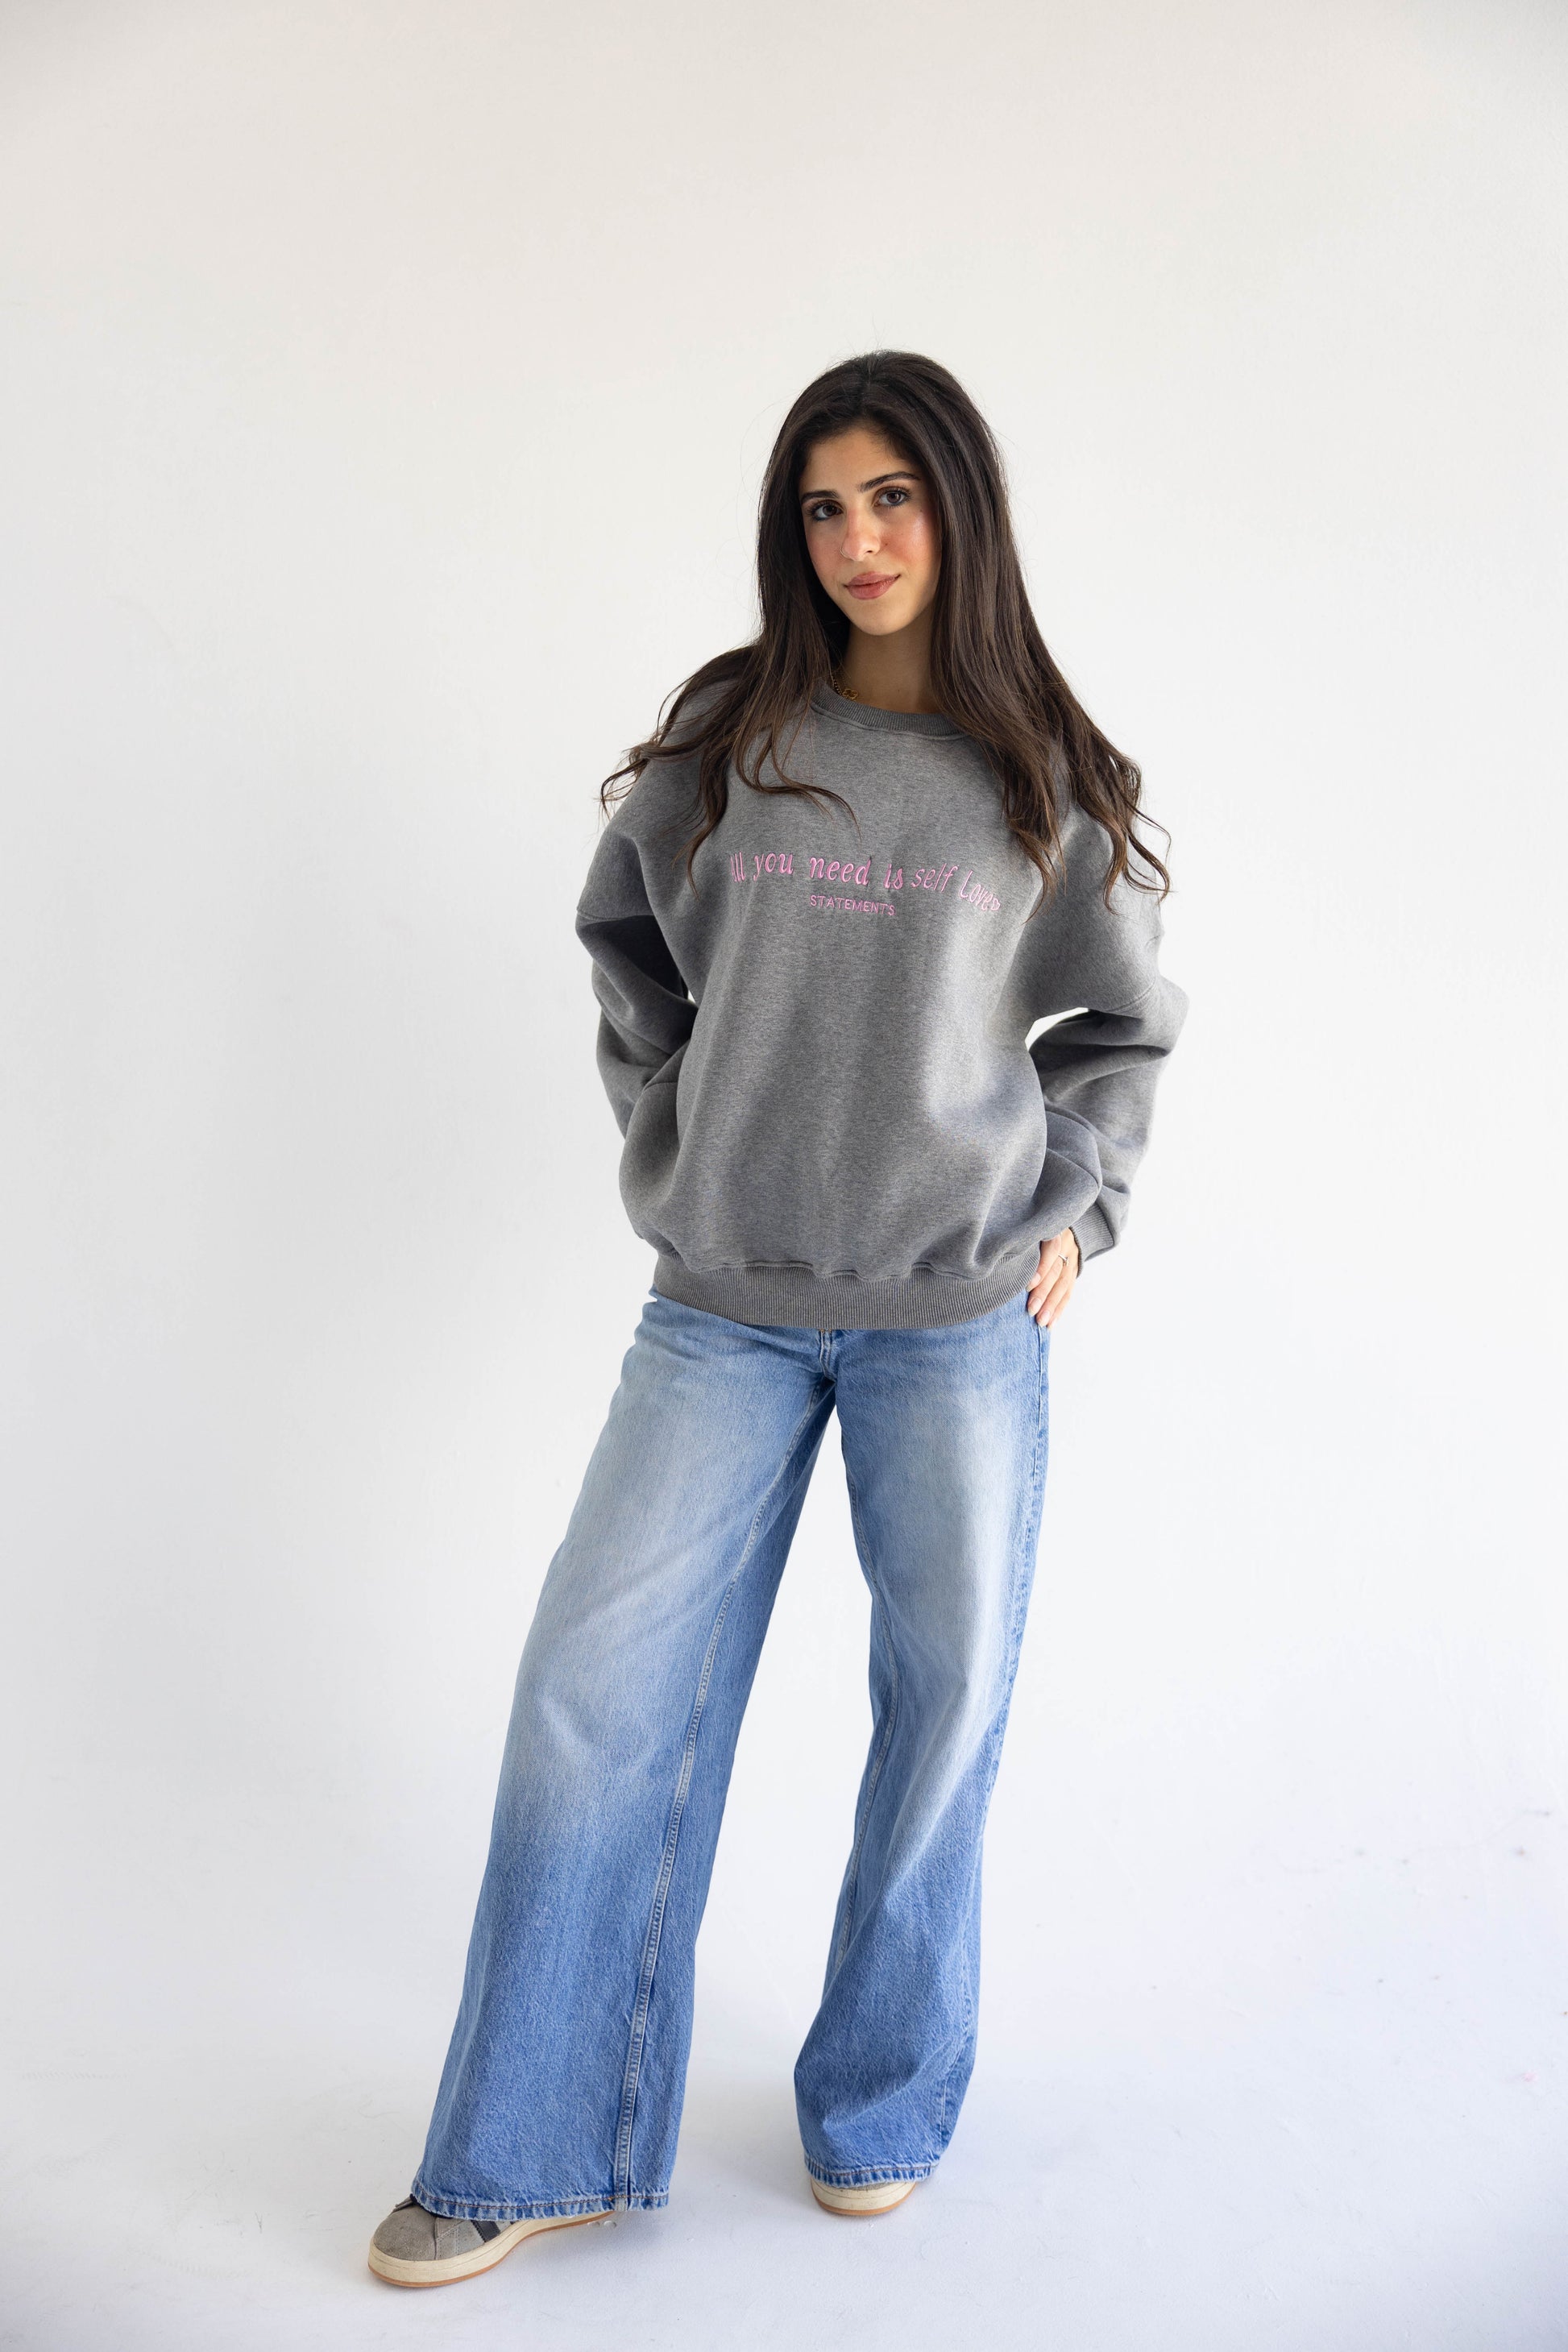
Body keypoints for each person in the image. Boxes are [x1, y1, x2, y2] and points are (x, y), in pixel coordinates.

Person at [367, 350, 1188, 2287]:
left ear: (957, 510)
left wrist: (1080, 1199)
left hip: (955, 1314)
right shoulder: (727, 743)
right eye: (823, 505)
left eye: (891, 496)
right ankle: (528, 2142)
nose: (856, 539)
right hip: (720, 1310)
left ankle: (878, 2102)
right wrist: (678, 1120)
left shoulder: (1045, 777)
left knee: (940, 1709)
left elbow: (1122, 1026)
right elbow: (624, 949)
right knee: (591, 1698)